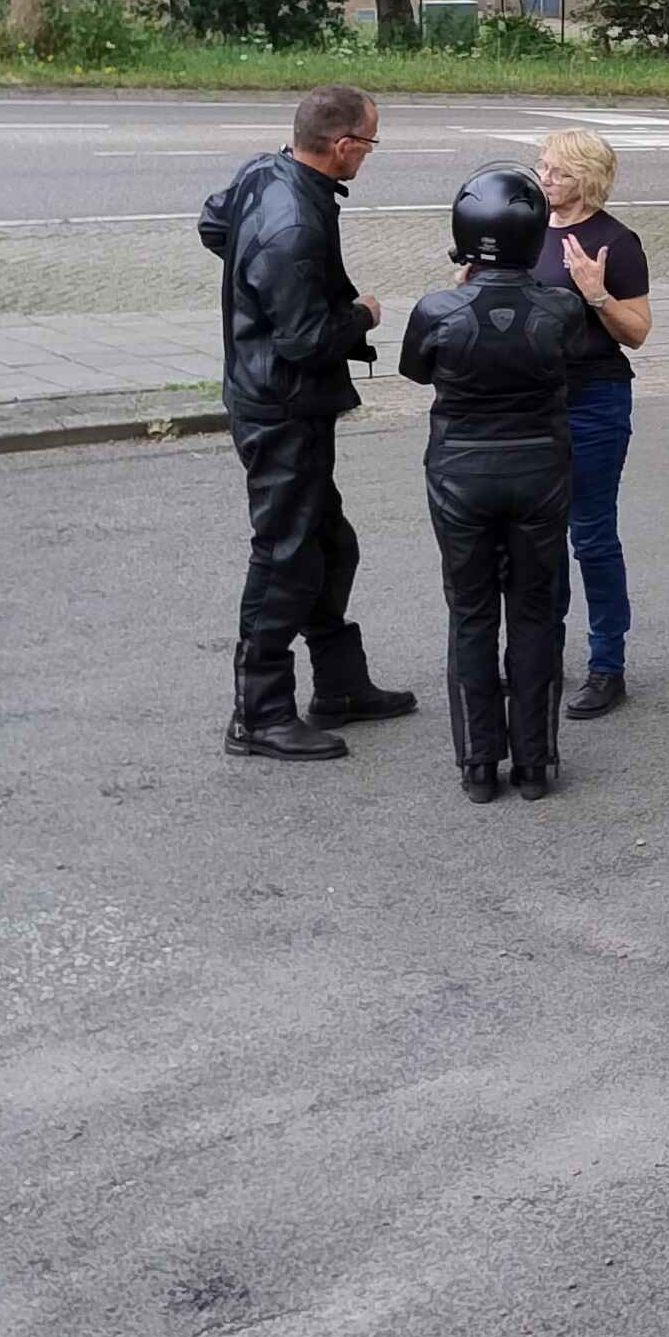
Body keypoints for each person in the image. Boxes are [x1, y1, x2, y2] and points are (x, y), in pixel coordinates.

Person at [197, 84, 413, 763]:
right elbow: (307, 340)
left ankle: (340, 685)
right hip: (281, 406)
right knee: (286, 553)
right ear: (342, 146)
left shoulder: (265, 171)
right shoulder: (293, 225)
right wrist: (363, 314)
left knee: (328, 543)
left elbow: (213, 225)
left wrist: (257, 278)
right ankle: (258, 714)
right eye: (369, 144)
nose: (368, 154)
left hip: (282, 396)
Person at [399, 168, 610, 802]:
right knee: (534, 611)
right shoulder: (561, 308)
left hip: (460, 475)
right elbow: (573, 355)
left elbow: (415, 371)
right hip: (539, 473)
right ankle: (534, 764)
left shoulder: (436, 310)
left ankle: (477, 765)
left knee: (470, 612)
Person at [536, 127, 651, 720]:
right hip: (533, 403)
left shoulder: (616, 241)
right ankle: (541, 655)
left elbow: (638, 332)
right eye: (542, 167)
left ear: (586, 177)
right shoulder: (526, 227)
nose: (544, 179)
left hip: (595, 402)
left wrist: (596, 294)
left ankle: (608, 663)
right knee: (538, 536)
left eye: (556, 171)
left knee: (592, 535)